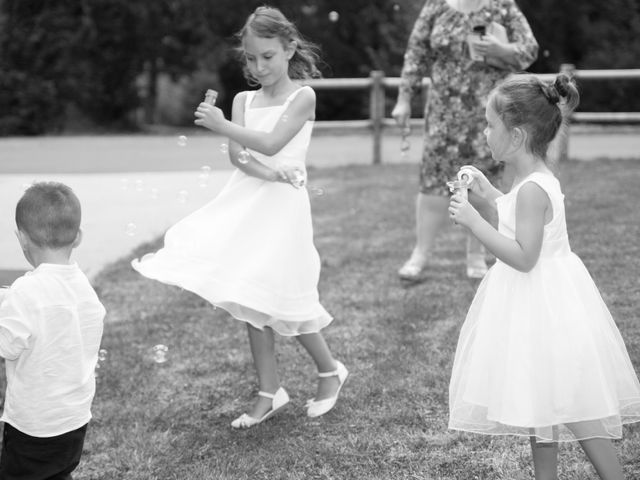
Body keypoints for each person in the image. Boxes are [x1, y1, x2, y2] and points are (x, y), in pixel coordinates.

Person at [132, 6, 348, 428]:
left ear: (289, 48)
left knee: (284, 293)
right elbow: (241, 157)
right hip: (250, 201)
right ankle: (270, 391)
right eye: (250, 58)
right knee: (250, 296)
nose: (258, 66)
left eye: (267, 56)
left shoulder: (303, 96)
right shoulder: (243, 99)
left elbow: (268, 142)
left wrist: (221, 125)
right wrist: (270, 172)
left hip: (284, 208)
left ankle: (330, 371)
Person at [447, 73, 640, 479]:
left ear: (515, 136)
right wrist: (488, 196)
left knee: (573, 405)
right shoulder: (529, 182)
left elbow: (524, 256)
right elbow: (518, 217)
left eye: (489, 125)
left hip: (544, 304)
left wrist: (473, 222)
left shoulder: (534, 188)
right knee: (541, 406)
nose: (485, 133)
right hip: (538, 301)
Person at [393, 0, 538, 281]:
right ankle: (420, 253)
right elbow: (415, 54)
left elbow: (529, 49)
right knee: (433, 181)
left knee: (485, 183)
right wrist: (404, 98)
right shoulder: (435, 6)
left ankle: (476, 254)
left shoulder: (502, 6)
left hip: (490, 115)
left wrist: (501, 50)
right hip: (443, 113)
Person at [0, 182, 106, 479]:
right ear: (78, 237)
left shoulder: (26, 292)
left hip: (34, 427)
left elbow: (8, 345)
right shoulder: (81, 285)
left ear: (21, 238)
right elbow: (46, 307)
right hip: (73, 420)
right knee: (58, 472)